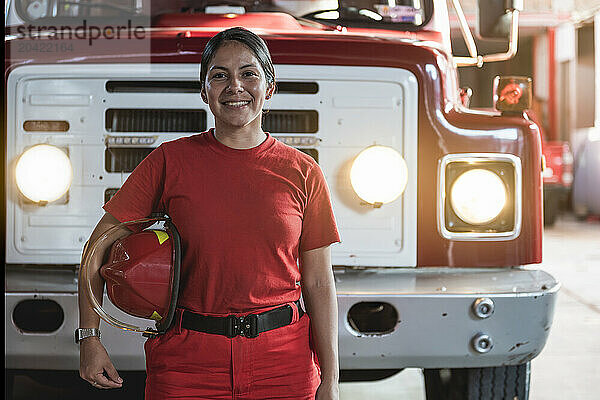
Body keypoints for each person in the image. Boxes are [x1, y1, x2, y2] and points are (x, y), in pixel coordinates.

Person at [78, 27, 341, 400]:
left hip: (283, 364)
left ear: (269, 87)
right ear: (205, 92)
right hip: (187, 364)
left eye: (249, 73)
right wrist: (89, 337)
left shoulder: (303, 171)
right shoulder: (170, 162)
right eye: (220, 75)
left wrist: (330, 376)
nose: (235, 86)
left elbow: (318, 282)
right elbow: (96, 250)